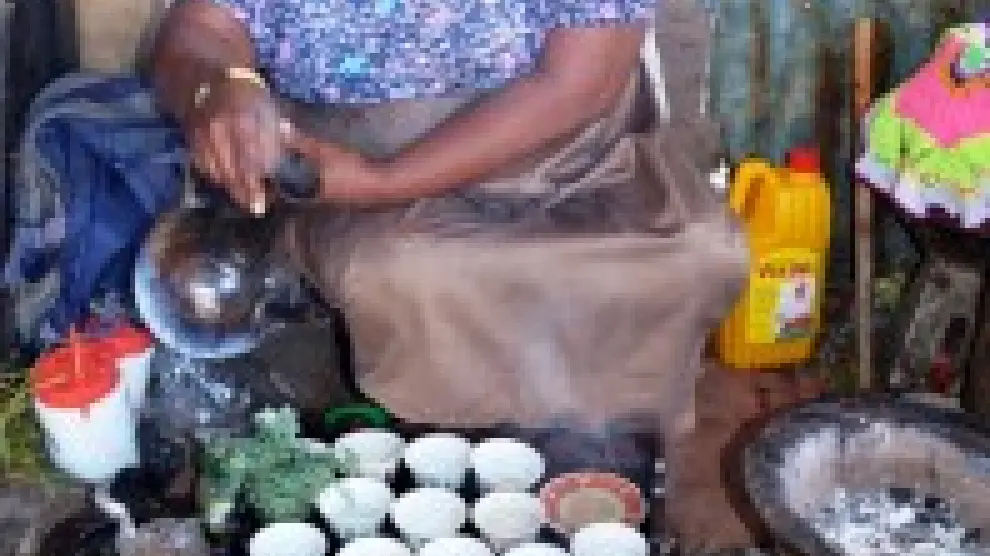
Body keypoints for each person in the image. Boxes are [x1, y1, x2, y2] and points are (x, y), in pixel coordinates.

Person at [9, 0, 747, 449]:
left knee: (694, 253)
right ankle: (443, 468)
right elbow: (199, 30)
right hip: (345, 158)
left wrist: (393, 180)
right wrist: (221, 87)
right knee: (405, 273)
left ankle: (610, 466)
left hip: (562, 151)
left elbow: (580, 82)